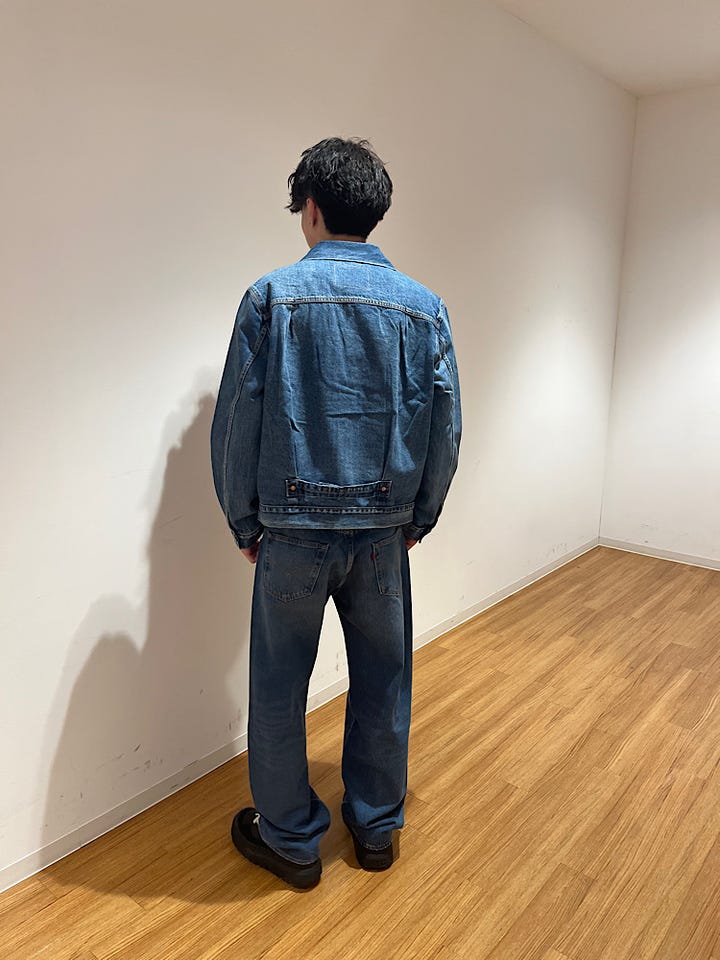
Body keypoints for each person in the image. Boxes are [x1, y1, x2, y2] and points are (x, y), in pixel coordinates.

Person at [210, 136, 461, 890]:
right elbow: (445, 427)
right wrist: (419, 516)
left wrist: (245, 522)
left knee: (279, 686)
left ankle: (291, 841)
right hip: (383, 534)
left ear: (311, 207)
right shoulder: (423, 309)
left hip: (291, 533)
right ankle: (376, 828)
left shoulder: (272, 297)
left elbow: (235, 424)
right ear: (373, 211)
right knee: (384, 678)